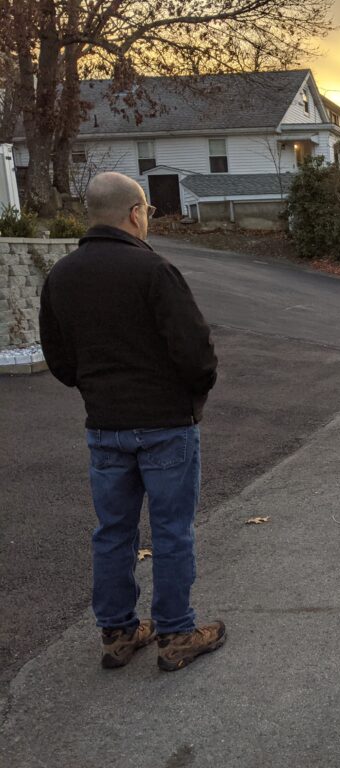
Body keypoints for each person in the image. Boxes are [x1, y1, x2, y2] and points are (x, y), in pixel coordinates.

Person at [39, 172, 226, 671]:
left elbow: (58, 357)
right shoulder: (154, 270)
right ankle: (176, 633)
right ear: (135, 213)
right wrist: (193, 393)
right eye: (147, 212)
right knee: (171, 531)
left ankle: (118, 632)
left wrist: (95, 387)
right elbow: (195, 351)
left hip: (105, 425)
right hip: (165, 424)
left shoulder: (62, 276)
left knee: (113, 531)